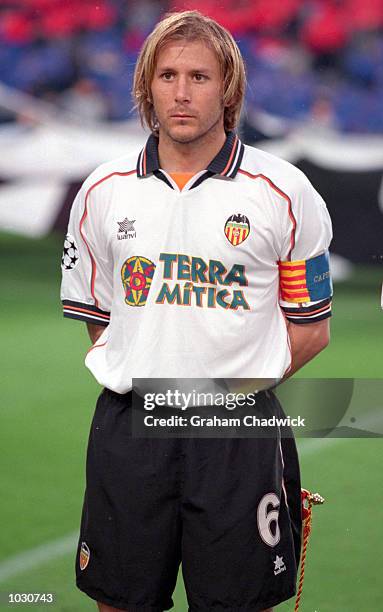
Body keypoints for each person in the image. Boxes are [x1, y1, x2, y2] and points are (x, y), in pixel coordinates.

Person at [60, 10, 333, 612]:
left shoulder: (285, 192)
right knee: (121, 600)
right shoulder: (102, 191)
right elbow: (98, 319)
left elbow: (310, 330)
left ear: (228, 88)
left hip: (237, 431)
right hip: (131, 430)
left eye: (200, 77)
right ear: (146, 87)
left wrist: (221, 392)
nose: (181, 93)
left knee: (238, 603)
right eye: (168, 76)